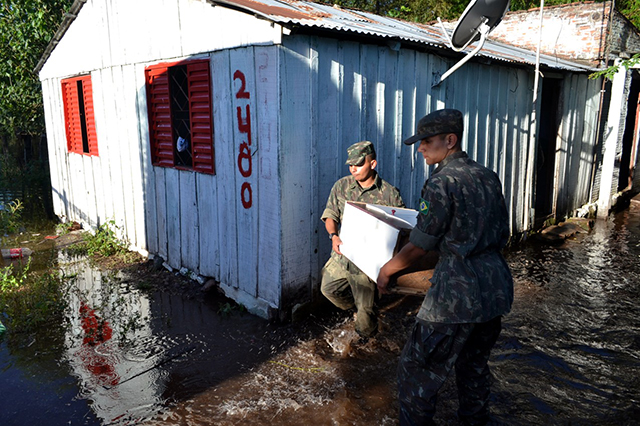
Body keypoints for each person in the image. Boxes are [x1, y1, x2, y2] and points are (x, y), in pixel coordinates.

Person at [376, 109, 513, 426]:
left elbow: (420, 244)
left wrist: (387, 271)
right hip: (495, 290)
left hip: (456, 295)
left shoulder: (441, 183)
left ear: (450, 140)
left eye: (426, 141)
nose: (420, 148)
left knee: (416, 370)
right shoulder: (487, 176)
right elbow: (501, 234)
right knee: (473, 367)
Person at [321, 140, 405, 339]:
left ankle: (368, 338)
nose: (353, 169)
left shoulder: (389, 194)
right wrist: (333, 236)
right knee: (328, 289)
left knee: (365, 327)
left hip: (367, 263)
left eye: (358, 164)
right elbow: (330, 215)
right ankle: (361, 309)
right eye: (351, 165)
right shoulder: (341, 186)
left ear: (373, 164)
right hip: (343, 255)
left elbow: (401, 229)